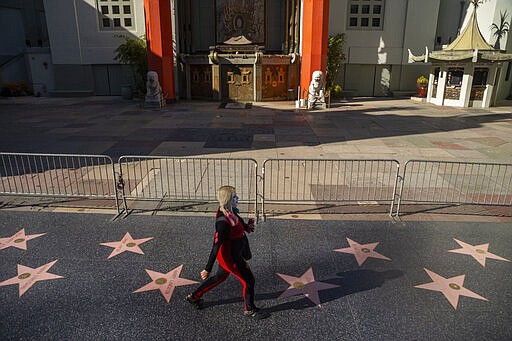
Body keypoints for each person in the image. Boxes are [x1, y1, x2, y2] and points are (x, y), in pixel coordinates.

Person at [186, 185, 268, 319]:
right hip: (230, 257)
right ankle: (249, 309)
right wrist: (207, 269)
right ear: (228, 200)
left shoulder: (229, 211)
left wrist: (246, 227)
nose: (238, 198)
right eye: (235, 197)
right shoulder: (222, 222)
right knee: (249, 281)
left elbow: (237, 219)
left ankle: (194, 297)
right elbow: (215, 246)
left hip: (233, 252)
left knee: (220, 277)